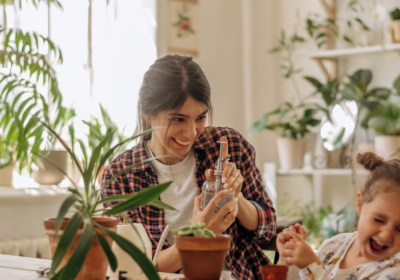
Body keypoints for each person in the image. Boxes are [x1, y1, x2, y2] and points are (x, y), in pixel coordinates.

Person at [101, 54, 276, 280]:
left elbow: (267, 228)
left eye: (200, 117)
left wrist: (237, 197)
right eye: (178, 120)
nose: (192, 133)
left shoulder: (228, 145)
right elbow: (138, 269)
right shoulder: (121, 176)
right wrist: (198, 235)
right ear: (148, 113)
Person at [277, 152, 400, 280]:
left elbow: (312, 271)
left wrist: (311, 267)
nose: (386, 235)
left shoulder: (394, 272)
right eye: (379, 220)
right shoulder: (332, 247)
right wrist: (288, 261)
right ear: (360, 204)